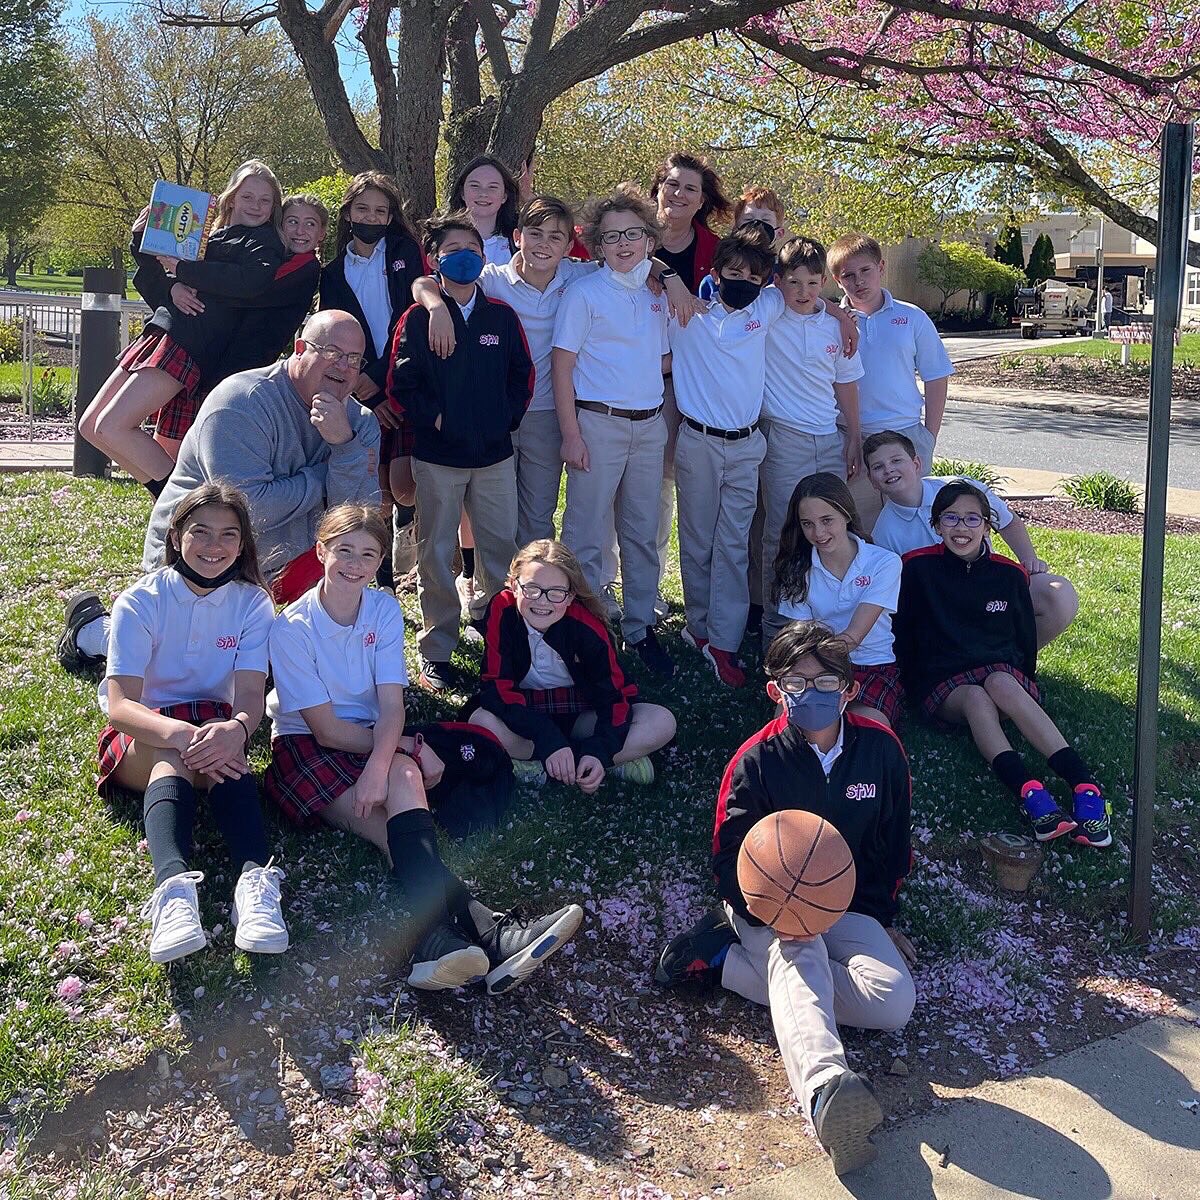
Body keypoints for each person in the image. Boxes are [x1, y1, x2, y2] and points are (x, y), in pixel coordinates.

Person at [265, 505, 583, 992]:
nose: (354, 564)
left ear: (381, 561)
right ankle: (486, 932)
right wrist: (396, 753)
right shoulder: (292, 627)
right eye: (344, 550)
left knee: (407, 782)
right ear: (321, 551)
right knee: (392, 832)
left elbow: (392, 704)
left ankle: (442, 943)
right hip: (306, 746)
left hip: (374, 734)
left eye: (368, 554)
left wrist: (389, 758)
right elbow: (326, 731)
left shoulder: (383, 609)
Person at [655, 621, 915, 1176]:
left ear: (849, 689)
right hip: (766, 905)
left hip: (848, 904)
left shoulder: (881, 751)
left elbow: (892, 844)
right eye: (797, 683)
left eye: (826, 682)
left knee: (893, 1003)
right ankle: (825, 1091)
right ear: (776, 690)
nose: (812, 693)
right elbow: (727, 859)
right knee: (801, 952)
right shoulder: (755, 761)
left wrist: (883, 919)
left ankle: (723, 961)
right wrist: (773, 910)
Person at [58, 311, 382, 674]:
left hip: (289, 558)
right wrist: (333, 471)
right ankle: (93, 630)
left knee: (338, 578)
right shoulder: (242, 401)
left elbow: (360, 520)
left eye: (354, 359)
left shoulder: (360, 424)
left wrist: (344, 445)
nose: (344, 366)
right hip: (206, 554)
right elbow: (249, 509)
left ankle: (272, 641)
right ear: (300, 349)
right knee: (188, 662)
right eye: (332, 352)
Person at [97, 483, 287, 964]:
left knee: (225, 749)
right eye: (200, 531)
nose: (213, 546)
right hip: (147, 733)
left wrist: (237, 729)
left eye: (228, 534)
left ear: (242, 545)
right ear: (176, 535)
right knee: (172, 753)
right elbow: (121, 706)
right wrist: (180, 735)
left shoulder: (253, 602)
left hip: (216, 729)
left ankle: (256, 883)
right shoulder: (140, 601)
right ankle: (173, 893)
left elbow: (249, 697)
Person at [893, 481, 1110, 847]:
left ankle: (1084, 785)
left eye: (972, 518)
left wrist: (1022, 679)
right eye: (951, 518)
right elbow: (903, 635)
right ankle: (1030, 793)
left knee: (1001, 683)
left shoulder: (1009, 575)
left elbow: (1024, 641)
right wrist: (909, 687)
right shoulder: (915, 569)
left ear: (988, 527)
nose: (961, 527)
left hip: (999, 675)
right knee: (977, 697)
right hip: (944, 684)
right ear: (936, 525)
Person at [384, 210, 533, 693]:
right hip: (437, 459)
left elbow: (522, 376)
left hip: (494, 457)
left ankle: (498, 634)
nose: (464, 258)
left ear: (484, 257)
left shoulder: (501, 317)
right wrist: (438, 421)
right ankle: (437, 649)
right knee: (435, 553)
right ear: (434, 260)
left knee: (500, 550)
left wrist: (502, 421)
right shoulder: (417, 317)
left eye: (473, 250)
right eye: (453, 251)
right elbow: (400, 384)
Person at [80, 160, 286, 493]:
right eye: (248, 197)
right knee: (91, 427)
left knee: (112, 426)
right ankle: (176, 502)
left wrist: (183, 271)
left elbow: (249, 282)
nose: (256, 206)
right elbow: (158, 283)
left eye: (265, 200)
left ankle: (184, 502)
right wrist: (145, 245)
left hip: (190, 343)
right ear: (232, 197)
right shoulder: (206, 233)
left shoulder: (265, 242)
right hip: (161, 332)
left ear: (274, 205)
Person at [552, 184, 675, 677]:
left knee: (641, 532)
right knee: (585, 532)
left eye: (632, 234)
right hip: (597, 424)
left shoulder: (658, 293)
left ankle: (640, 626)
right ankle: (584, 624)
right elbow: (563, 366)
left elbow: (663, 357)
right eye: (611, 236)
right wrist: (571, 434)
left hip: (648, 426)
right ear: (597, 245)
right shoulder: (584, 294)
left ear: (649, 239)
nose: (623, 244)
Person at [467, 540, 677, 789]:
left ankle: (567, 763)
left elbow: (614, 698)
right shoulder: (502, 609)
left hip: (582, 714)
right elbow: (495, 686)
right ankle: (605, 761)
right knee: (480, 721)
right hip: (525, 714)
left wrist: (599, 750)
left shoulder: (587, 626)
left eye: (556, 592)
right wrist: (547, 737)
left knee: (662, 721)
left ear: (571, 597)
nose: (542, 601)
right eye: (532, 589)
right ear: (514, 586)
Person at [669, 223, 780, 686]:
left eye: (753, 278)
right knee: (697, 541)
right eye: (734, 274)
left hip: (747, 445)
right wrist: (670, 278)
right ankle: (698, 628)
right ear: (715, 274)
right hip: (698, 442)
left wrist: (840, 314)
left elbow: (806, 290)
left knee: (733, 544)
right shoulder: (685, 314)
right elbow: (644, 264)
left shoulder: (766, 308)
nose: (744, 284)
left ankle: (724, 642)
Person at [864, 430, 1079, 647]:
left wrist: (1029, 559)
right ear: (872, 481)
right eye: (878, 467)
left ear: (917, 464)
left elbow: (1007, 521)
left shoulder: (961, 489)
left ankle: (1013, 657)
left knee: (1059, 595)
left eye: (896, 460)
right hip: (941, 609)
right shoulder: (883, 533)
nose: (888, 469)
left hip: (991, 585)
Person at [756, 237, 865, 646]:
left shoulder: (834, 326)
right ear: (778, 281)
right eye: (794, 282)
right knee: (781, 533)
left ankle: (823, 622)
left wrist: (853, 437)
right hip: (784, 438)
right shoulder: (768, 313)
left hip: (828, 439)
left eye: (812, 283)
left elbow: (845, 383)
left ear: (824, 283)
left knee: (831, 529)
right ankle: (775, 629)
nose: (803, 292)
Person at [319, 172, 425, 586]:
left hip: (404, 374)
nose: (371, 217)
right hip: (358, 384)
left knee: (405, 484)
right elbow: (335, 330)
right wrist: (364, 384)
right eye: (362, 209)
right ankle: (382, 579)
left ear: (391, 216)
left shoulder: (403, 252)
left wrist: (380, 377)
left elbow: (409, 317)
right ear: (348, 213)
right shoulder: (331, 272)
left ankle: (409, 530)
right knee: (373, 485)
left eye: (380, 211)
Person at [827, 233, 954, 529]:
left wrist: (929, 436)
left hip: (905, 434)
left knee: (915, 525)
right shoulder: (830, 322)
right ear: (836, 280)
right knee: (861, 526)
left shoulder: (912, 317)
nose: (859, 281)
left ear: (881, 267)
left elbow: (936, 376)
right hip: (853, 438)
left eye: (865, 270)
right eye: (848, 275)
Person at [772, 475, 904, 729]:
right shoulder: (796, 569)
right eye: (807, 524)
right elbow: (800, 635)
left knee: (870, 727)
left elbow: (854, 636)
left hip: (871, 664)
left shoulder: (884, 562)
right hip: (816, 664)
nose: (818, 533)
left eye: (827, 520)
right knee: (787, 722)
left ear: (846, 514)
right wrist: (808, 673)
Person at [448, 154, 521, 266]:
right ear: (462, 193)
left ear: (504, 196)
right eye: (475, 186)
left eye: (492, 187)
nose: (483, 193)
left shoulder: (521, 240)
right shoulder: (442, 238)